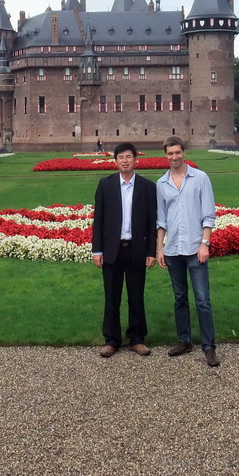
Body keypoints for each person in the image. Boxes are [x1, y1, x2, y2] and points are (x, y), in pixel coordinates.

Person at [156, 136, 220, 367]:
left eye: (177, 152)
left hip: (195, 247)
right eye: (170, 153)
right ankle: (184, 340)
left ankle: (208, 346)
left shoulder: (200, 178)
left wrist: (205, 243)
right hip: (173, 250)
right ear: (166, 155)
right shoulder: (161, 184)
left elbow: (208, 215)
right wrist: (159, 248)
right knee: (180, 298)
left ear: (184, 152)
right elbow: (161, 220)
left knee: (203, 300)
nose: (174, 157)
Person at [91, 142, 157, 358]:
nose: (125, 161)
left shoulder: (147, 187)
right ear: (116, 161)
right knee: (112, 297)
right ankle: (112, 340)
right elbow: (98, 220)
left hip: (136, 248)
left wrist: (151, 251)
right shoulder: (106, 184)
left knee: (136, 296)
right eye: (121, 157)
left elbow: (151, 222)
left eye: (129, 157)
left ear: (135, 160)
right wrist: (97, 250)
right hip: (112, 248)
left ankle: (137, 338)